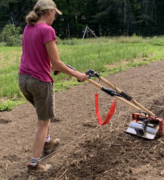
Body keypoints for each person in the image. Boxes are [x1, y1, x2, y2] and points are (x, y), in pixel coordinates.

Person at [18, 0, 87, 174]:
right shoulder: (47, 30)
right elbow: (56, 62)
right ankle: (34, 164)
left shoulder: (28, 28)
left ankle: (48, 141)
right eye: (55, 13)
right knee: (44, 122)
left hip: (24, 80)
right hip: (39, 82)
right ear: (48, 11)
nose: (55, 16)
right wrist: (77, 74)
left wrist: (54, 68)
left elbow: (38, 58)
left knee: (44, 113)